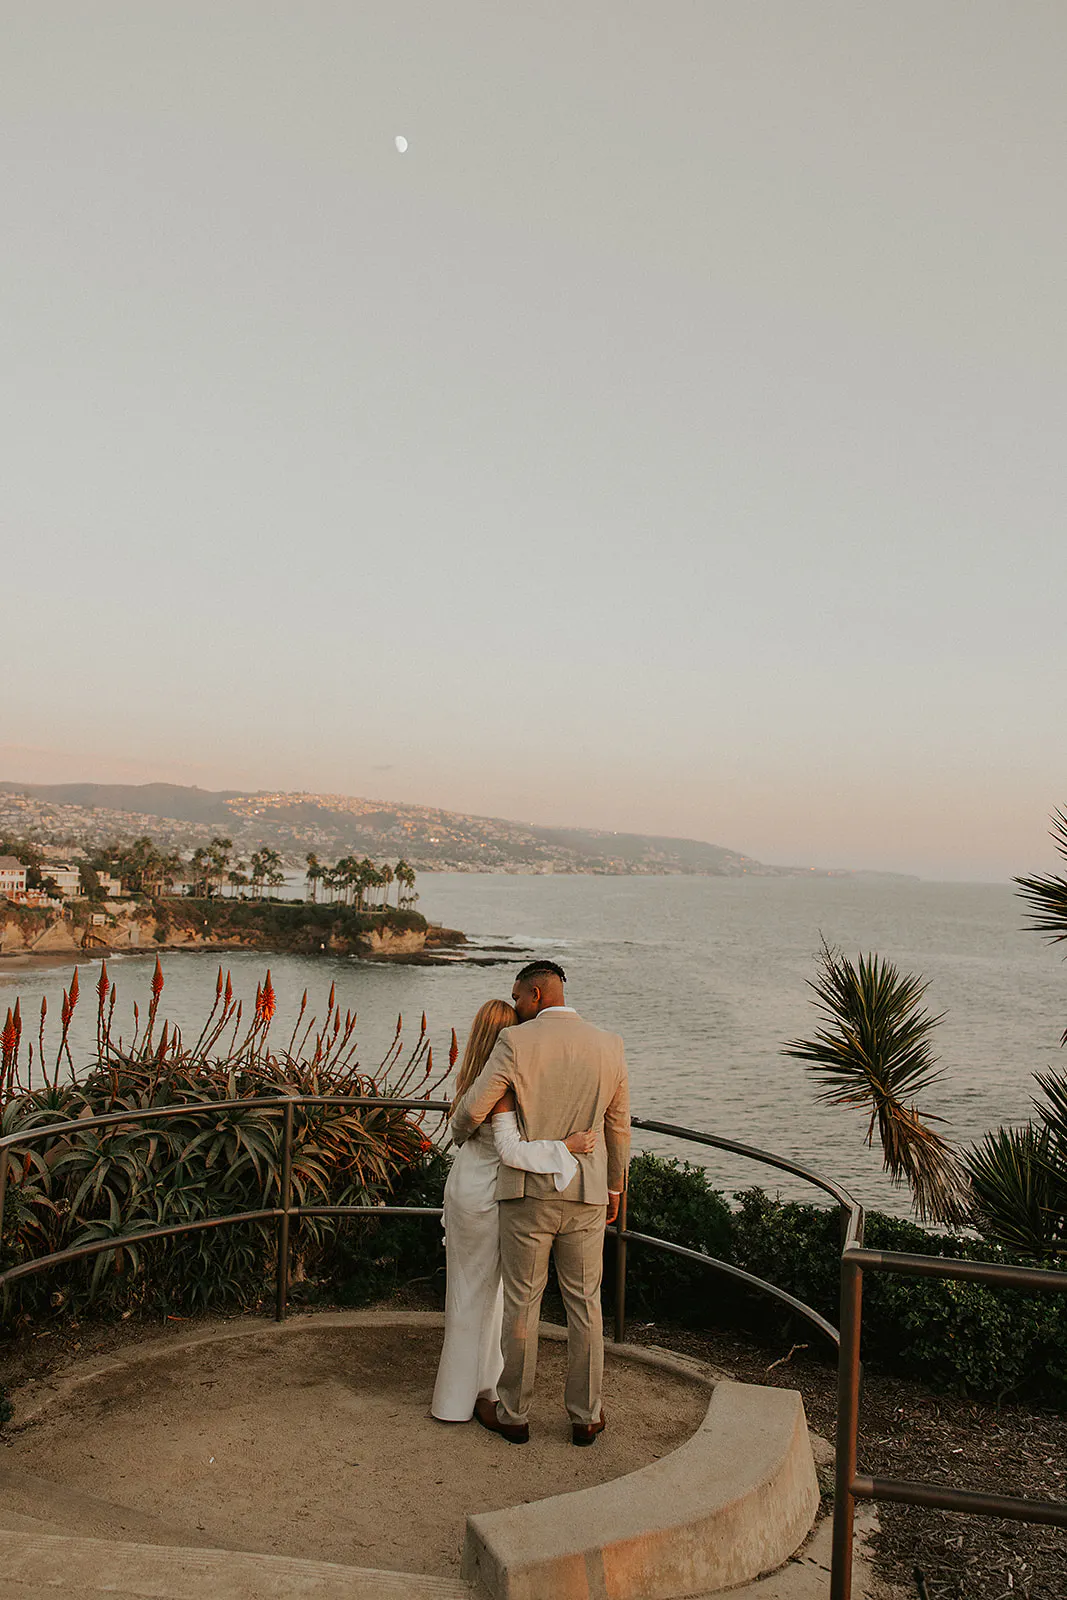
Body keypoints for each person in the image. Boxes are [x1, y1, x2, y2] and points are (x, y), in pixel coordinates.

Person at [451, 961, 630, 1446]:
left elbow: (471, 1109)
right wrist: (615, 1188)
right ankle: (586, 1416)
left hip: (527, 1195)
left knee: (523, 1304)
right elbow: (618, 1128)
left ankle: (513, 1414)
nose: (514, 1008)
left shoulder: (515, 1043)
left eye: (517, 999)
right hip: (588, 1195)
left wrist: (460, 1134)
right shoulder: (610, 1045)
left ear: (536, 993)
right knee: (585, 1306)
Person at [430, 998, 596, 1423]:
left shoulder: (475, 1078)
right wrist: (566, 1148)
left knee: (472, 1294)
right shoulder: (501, 1086)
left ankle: (469, 1392)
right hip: (486, 1195)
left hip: (468, 1187)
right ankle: (462, 1399)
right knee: (481, 1297)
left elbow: (467, 1130)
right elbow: (509, 1151)